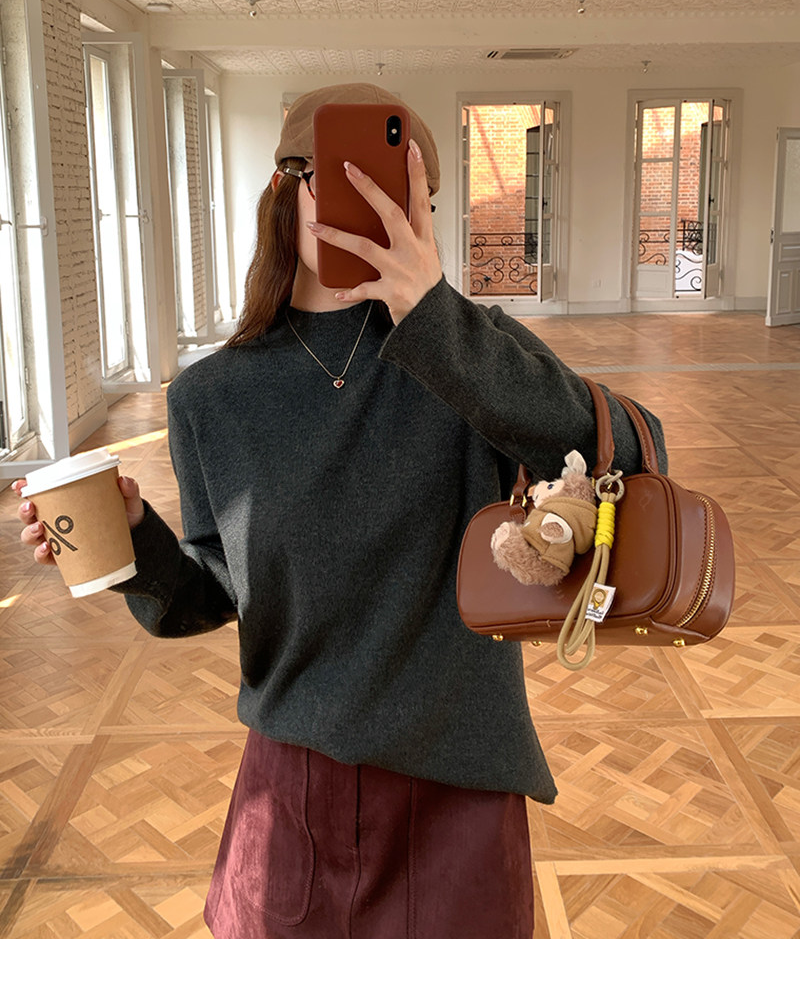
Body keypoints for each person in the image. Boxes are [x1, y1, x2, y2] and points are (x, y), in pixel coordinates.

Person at [15, 82, 667, 940]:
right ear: (283, 191)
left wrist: (434, 318)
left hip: (461, 779)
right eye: (335, 177)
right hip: (293, 788)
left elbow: (636, 450)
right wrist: (131, 540)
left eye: (394, 189)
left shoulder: (468, 350)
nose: (364, 207)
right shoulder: (211, 396)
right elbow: (213, 594)